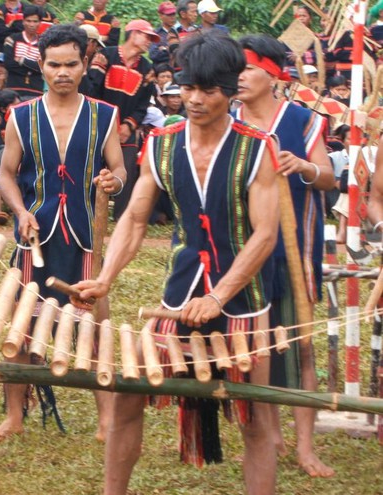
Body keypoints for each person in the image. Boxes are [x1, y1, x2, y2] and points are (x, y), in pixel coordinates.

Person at [75, 31, 280, 495]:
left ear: (230, 91)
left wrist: (219, 296)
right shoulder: (162, 143)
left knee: (255, 419)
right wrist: (104, 279)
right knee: (129, 397)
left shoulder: (257, 148)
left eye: (207, 90)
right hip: (179, 297)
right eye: (187, 87)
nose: (194, 98)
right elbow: (135, 218)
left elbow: (265, 234)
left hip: (243, 305)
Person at [0, 23, 126, 442]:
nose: (62, 72)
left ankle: (107, 420)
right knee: (21, 325)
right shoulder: (21, 116)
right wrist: (18, 210)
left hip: (86, 236)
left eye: (71, 63)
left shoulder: (105, 115)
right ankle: (15, 414)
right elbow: (7, 174)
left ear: (85, 65)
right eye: (54, 64)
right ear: (41, 66)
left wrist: (113, 183)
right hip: (36, 235)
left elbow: (119, 170)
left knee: (95, 324)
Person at [236, 34, 335, 478]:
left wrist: (306, 167)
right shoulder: (229, 120)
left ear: (273, 74)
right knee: (259, 349)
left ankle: (306, 445)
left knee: (300, 344)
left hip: (295, 249)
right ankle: (270, 435)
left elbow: (328, 177)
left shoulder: (302, 120)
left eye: (248, 68)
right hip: (243, 249)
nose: (238, 77)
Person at [87, 19, 157, 220]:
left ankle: (122, 218)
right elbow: (92, 89)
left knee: (125, 171)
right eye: (147, 36)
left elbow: (143, 105)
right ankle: (86, 212)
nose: (150, 41)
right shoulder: (105, 56)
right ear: (133, 34)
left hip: (125, 129)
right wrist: (101, 121)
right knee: (91, 168)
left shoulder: (147, 69)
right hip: (98, 123)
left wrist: (128, 125)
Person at [4, 4, 44, 100]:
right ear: (23, 21)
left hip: (36, 91)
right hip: (13, 90)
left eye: (35, 21)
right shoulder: (12, 39)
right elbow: (9, 64)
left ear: (40, 23)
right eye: (28, 21)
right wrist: (33, 68)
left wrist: (22, 61)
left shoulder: (44, 44)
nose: (31, 24)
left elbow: (43, 67)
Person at [149, 1, 179, 65]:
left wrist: (164, 49)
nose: (172, 17)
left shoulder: (180, 30)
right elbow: (153, 55)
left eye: (173, 14)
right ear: (160, 16)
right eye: (169, 14)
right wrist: (170, 49)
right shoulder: (156, 34)